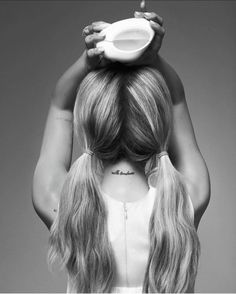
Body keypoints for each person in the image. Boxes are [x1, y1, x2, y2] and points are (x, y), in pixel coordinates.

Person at [32, 10, 211, 293]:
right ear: (158, 122)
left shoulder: (63, 204)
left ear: (90, 123)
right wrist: (154, 60)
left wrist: (86, 61)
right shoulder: (184, 201)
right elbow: (177, 100)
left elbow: (60, 106)